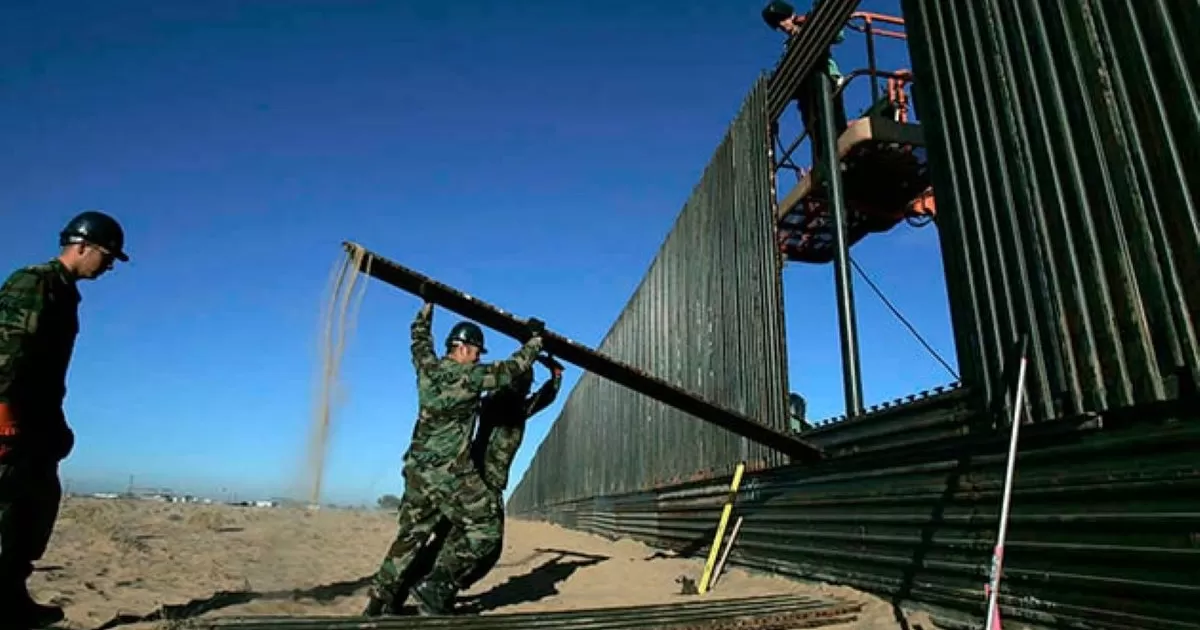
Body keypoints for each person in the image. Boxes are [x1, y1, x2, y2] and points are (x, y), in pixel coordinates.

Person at [363, 303, 544, 617]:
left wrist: (424, 310)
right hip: (449, 473)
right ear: (462, 348)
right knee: (486, 527)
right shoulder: (471, 377)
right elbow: (511, 370)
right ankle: (435, 587)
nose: (478, 356)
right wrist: (534, 341)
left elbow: (419, 342)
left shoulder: (428, 368)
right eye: (476, 351)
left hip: (417, 471)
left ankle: (379, 604)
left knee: (410, 536)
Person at [0, 211, 129, 627]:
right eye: (107, 256)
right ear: (81, 246)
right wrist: (2, 411)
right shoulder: (34, 282)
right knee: (7, 512)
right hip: (11, 419)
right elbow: (6, 347)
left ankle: (11, 597)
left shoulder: (65, 292)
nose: (109, 265)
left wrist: (54, 426)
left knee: (34, 511)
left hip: (36, 423)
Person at [403, 353, 565, 609]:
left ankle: (434, 586)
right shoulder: (498, 404)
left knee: (467, 542)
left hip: (489, 484)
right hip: (478, 483)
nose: (525, 389)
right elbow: (517, 388)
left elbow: (542, 399)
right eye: (523, 383)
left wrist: (554, 376)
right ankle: (434, 586)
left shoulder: (516, 407)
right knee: (481, 542)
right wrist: (531, 361)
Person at [762, 1, 849, 166]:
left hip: (825, 80)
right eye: (778, 24)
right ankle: (823, 164)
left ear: (791, 16)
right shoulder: (789, 48)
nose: (782, 25)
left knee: (833, 124)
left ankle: (842, 157)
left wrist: (812, 21)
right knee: (815, 131)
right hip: (806, 94)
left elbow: (838, 35)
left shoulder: (811, 27)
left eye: (783, 20)